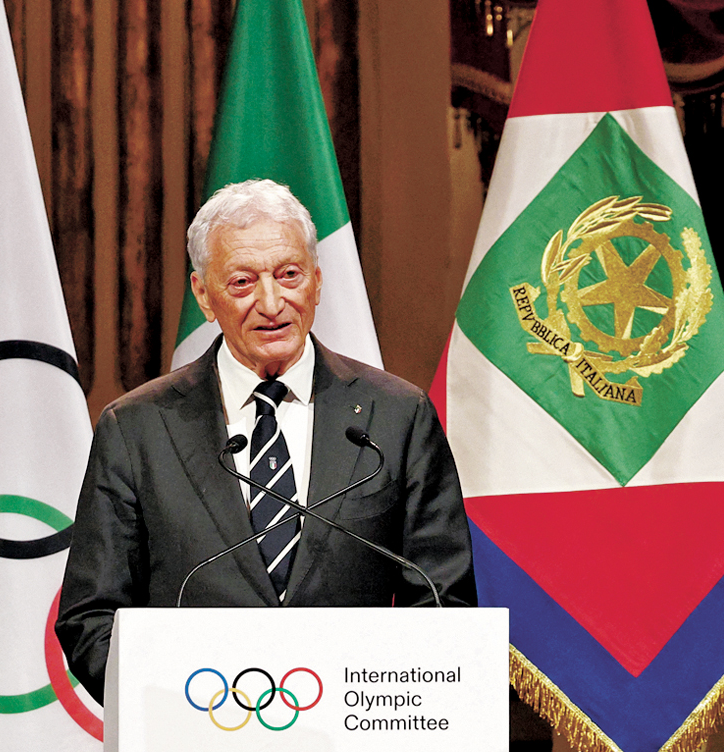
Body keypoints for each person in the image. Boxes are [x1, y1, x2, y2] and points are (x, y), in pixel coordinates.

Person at [55, 179, 475, 705]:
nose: (272, 303)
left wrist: (377, 709)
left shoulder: (397, 416)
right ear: (203, 296)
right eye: (242, 282)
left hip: (357, 738)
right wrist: (174, 709)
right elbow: (91, 618)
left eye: (289, 274)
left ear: (317, 281)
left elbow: (442, 602)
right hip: (199, 734)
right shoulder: (137, 427)